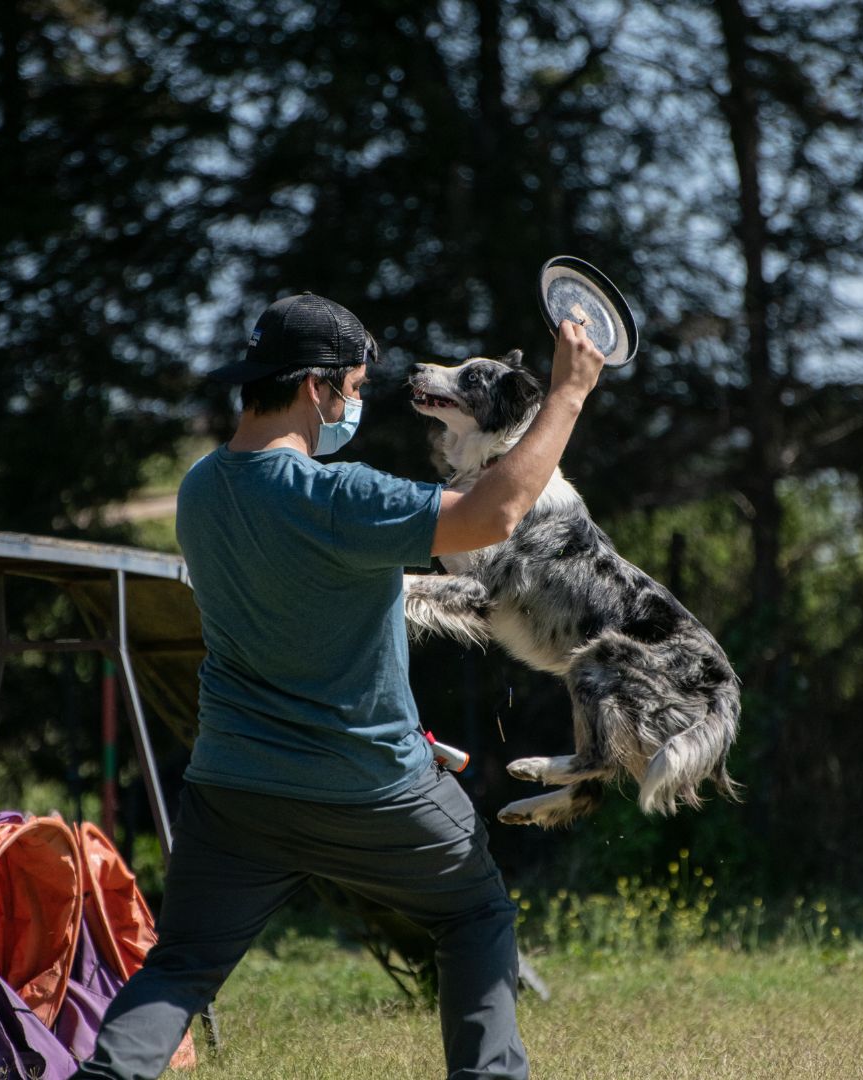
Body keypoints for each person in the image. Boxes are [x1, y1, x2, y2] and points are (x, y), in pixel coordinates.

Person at [74, 292, 606, 1080]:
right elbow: (495, 516)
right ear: (316, 388)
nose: (356, 402)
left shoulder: (200, 489)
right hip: (371, 790)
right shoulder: (338, 497)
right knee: (474, 912)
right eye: (353, 387)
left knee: (181, 963)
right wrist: (567, 394)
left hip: (233, 787)